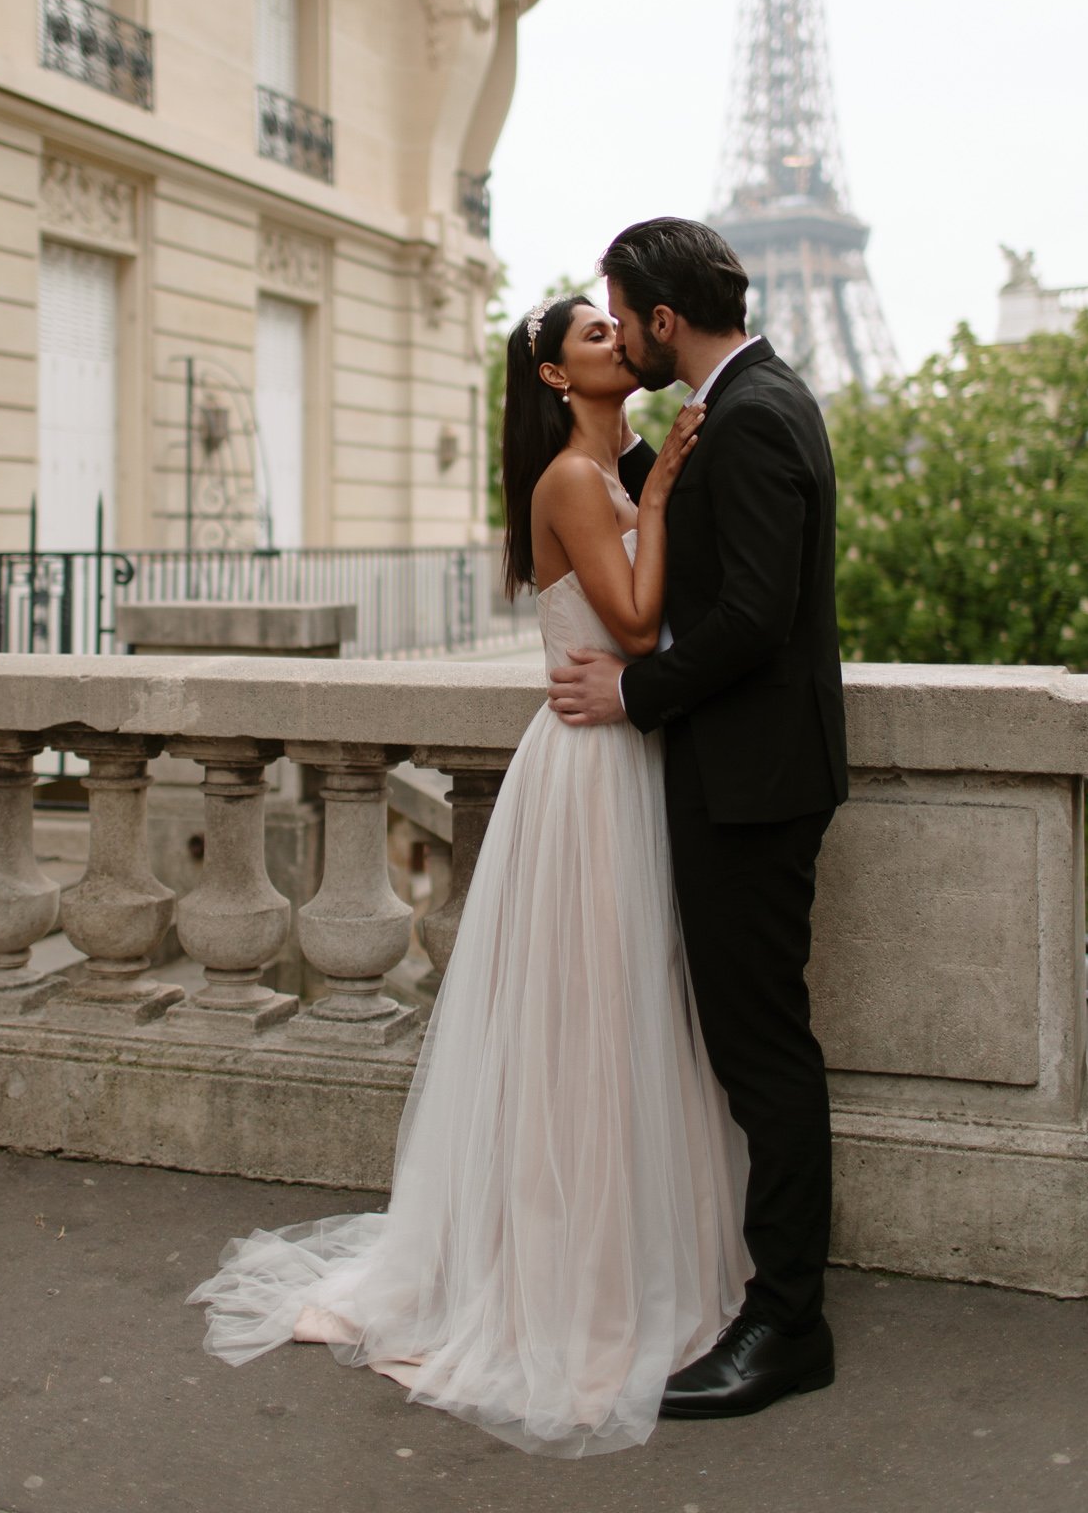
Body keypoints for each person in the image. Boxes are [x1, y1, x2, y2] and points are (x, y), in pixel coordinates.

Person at [189, 294, 750, 1458]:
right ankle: (565, 1267)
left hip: (617, 758)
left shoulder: (609, 467)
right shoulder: (570, 482)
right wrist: (655, 498)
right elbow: (640, 629)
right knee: (588, 1013)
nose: (618, 343)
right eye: (592, 336)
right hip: (592, 767)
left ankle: (608, 1249)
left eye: (616, 327)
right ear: (553, 377)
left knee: (625, 1009)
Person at [548, 216, 848, 1420]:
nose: (619, 334)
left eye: (624, 317)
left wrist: (632, 691)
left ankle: (786, 1322)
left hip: (753, 782)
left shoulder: (758, 414)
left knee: (762, 1052)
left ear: (666, 319)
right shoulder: (742, 407)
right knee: (749, 1047)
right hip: (746, 770)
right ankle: (770, 1301)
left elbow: (753, 618)